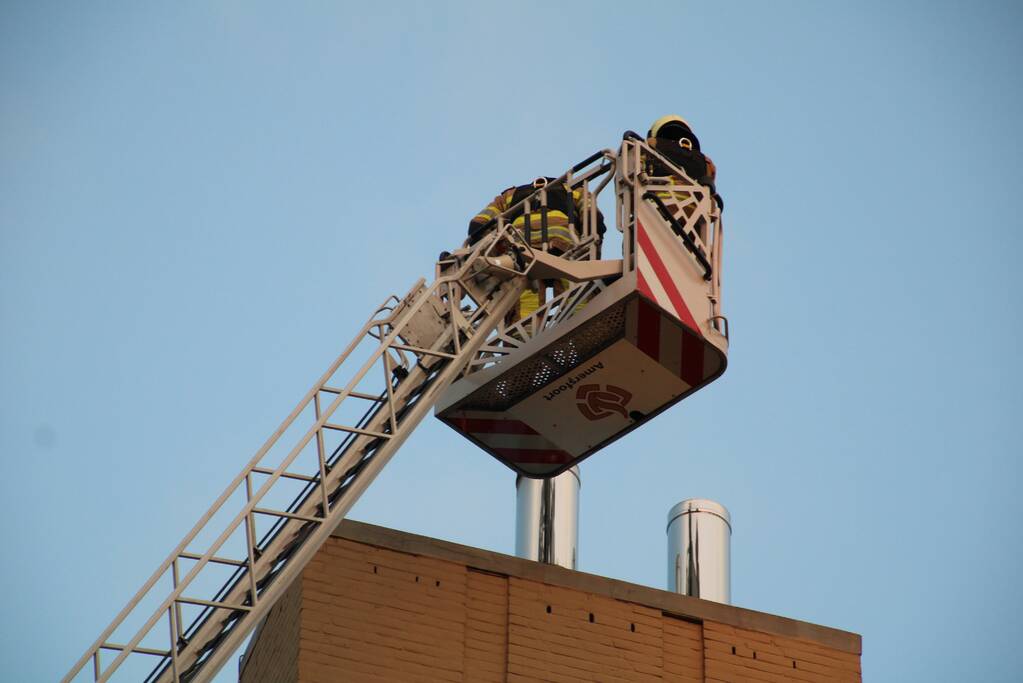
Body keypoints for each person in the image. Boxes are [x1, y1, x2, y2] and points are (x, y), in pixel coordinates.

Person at [467, 177, 604, 326]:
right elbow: (593, 217)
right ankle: (584, 329)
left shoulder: (509, 196)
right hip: (564, 246)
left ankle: (522, 341)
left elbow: (478, 224)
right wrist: (590, 254)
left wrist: (495, 251)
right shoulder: (573, 189)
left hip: (521, 251)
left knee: (525, 306)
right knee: (576, 293)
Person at [643, 115, 722, 242]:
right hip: (694, 231)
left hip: (656, 215)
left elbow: (630, 182)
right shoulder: (707, 163)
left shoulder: (648, 147)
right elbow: (710, 201)